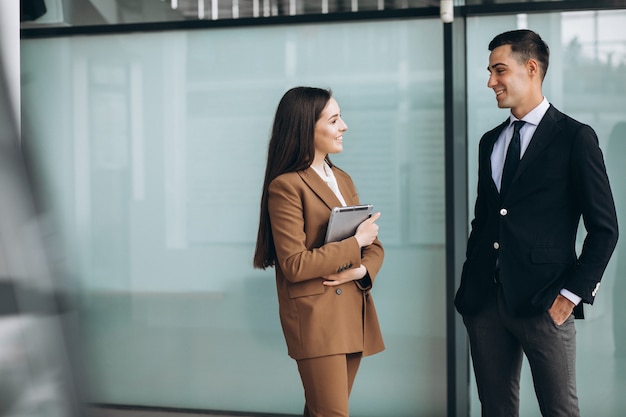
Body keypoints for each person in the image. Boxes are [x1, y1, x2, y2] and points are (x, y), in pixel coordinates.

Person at [455, 29, 619, 417]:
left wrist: (569, 298)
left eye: (499, 70)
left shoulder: (575, 138)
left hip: (545, 303)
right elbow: (486, 221)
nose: (490, 81)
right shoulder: (489, 142)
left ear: (531, 69)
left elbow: (605, 228)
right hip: (485, 304)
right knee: (495, 410)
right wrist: (471, 289)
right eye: (489, 72)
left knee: (559, 411)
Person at [253, 86, 385, 417]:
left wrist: (361, 270)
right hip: (317, 318)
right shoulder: (286, 186)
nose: (344, 127)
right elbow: (295, 265)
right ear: (305, 127)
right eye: (335, 119)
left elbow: (374, 246)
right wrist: (354, 244)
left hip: (352, 312)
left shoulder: (342, 178)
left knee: (321, 412)